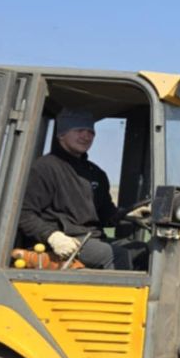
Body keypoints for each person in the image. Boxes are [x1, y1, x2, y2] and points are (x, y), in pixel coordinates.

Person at [19, 108, 138, 270]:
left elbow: (106, 215)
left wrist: (130, 214)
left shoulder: (96, 174)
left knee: (143, 251)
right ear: (61, 134)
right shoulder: (44, 168)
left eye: (91, 132)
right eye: (79, 130)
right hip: (65, 240)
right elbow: (24, 213)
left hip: (92, 239)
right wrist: (53, 236)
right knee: (115, 255)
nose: (86, 136)